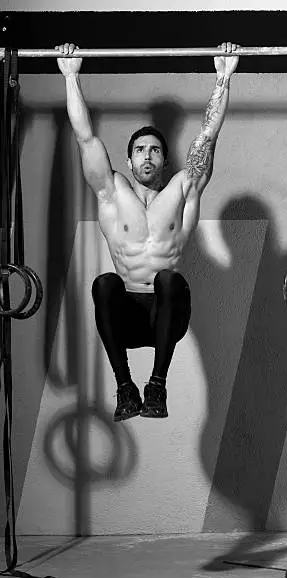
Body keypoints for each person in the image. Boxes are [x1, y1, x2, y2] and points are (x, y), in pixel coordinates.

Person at [56, 41, 240, 421]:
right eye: (140, 150)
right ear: (128, 158)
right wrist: (71, 77)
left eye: (155, 150)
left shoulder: (182, 190)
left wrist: (223, 77)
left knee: (170, 279)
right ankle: (125, 387)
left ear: (164, 158)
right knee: (104, 283)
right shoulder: (112, 192)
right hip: (122, 317)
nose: (147, 155)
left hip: (165, 317)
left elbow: (207, 138)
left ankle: (157, 386)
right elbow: (85, 137)